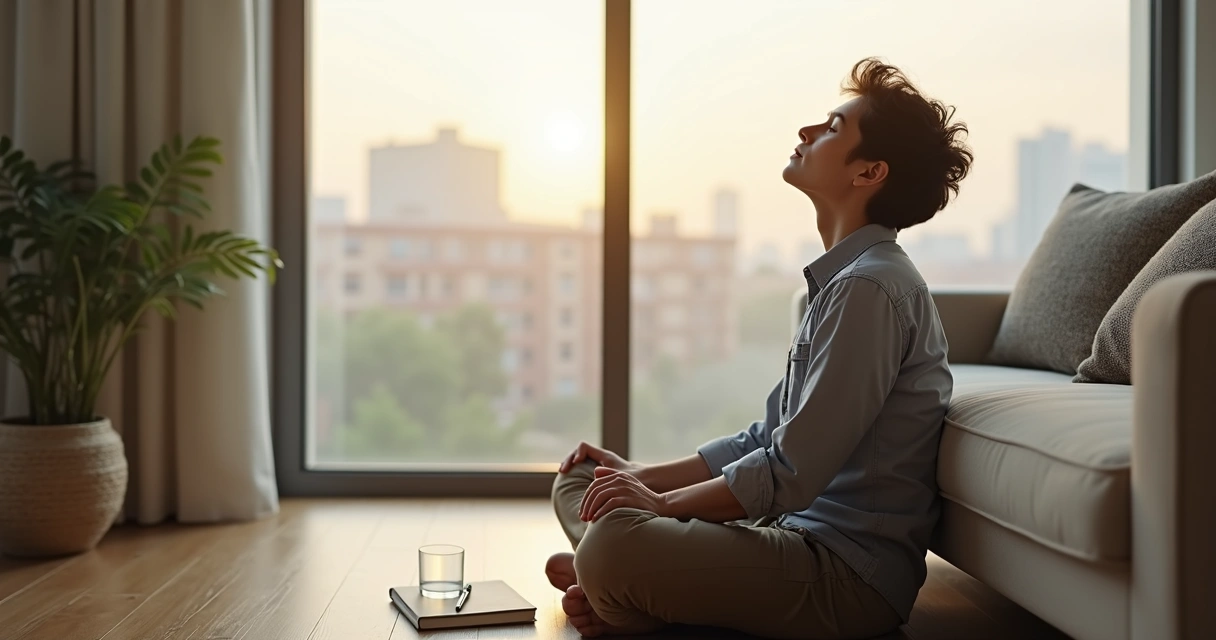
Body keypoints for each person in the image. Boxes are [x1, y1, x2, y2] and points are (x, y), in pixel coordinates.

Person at [545, 57, 974, 639]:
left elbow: (790, 470)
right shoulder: (842, 283)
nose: (806, 132)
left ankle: (621, 586)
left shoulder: (870, 289)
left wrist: (657, 505)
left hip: (842, 575)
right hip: (781, 531)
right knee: (583, 479)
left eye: (831, 128)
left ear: (869, 172)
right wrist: (641, 476)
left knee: (612, 544)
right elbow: (763, 439)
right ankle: (631, 580)